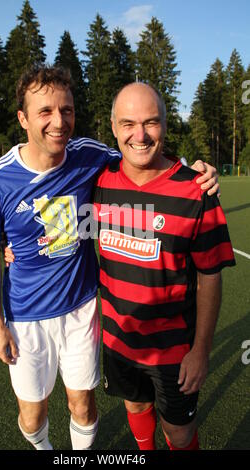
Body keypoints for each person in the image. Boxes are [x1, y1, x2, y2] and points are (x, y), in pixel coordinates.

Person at [0, 65, 219, 451]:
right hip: (24, 317)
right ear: (22, 118)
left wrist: (193, 167)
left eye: (66, 110)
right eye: (45, 112)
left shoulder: (89, 156)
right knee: (33, 416)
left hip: (82, 310)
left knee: (83, 406)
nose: (59, 122)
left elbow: (141, 152)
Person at [93, 82, 236, 450]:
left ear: (166, 125)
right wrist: (10, 248)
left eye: (151, 122)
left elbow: (210, 276)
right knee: (136, 404)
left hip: (174, 349)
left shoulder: (196, 190)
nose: (139, 135)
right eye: (128, 123)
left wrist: (201, 350)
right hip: (117, 340)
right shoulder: (99, 182)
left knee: (178, 432)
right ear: (112, 126)